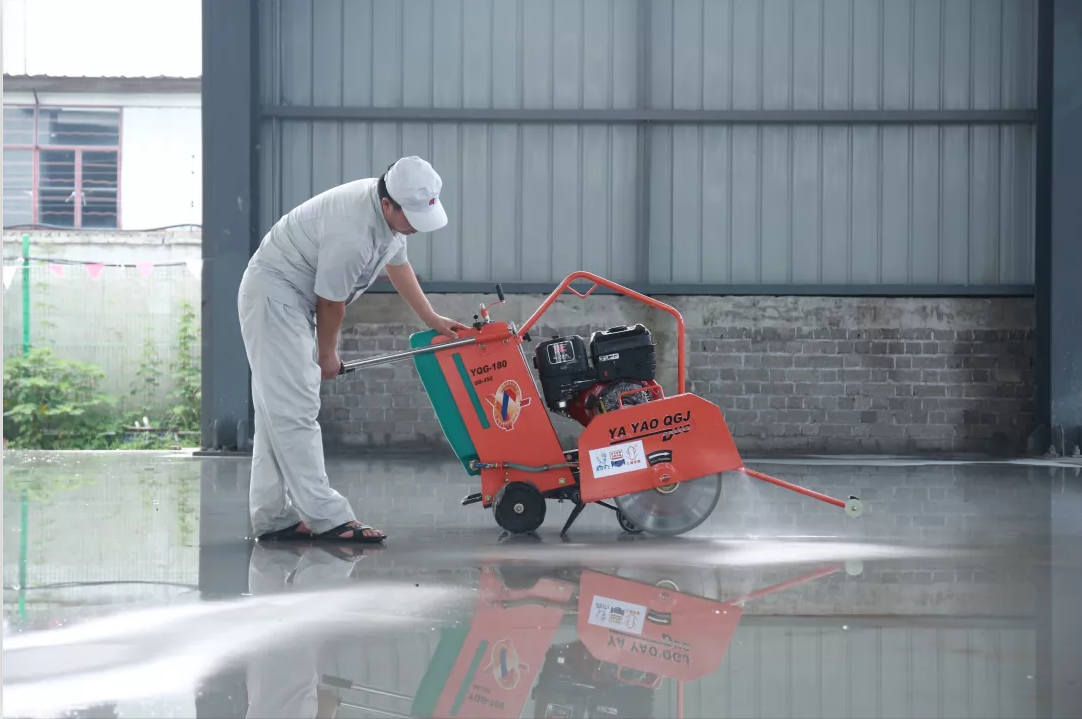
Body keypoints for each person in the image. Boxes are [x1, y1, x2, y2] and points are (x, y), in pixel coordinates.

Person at [237, 156, 467, 544]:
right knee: (296, 408)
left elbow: (398, 265)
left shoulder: (389, 215)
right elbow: (331, 303)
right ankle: (328, 518)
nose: (415, 227)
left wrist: (431, 318)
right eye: (411, 218)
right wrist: (327, 355)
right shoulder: (353, 231)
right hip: (275, 298)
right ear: (387, 204)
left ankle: (273, 517)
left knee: (276, 413)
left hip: (291, 300)